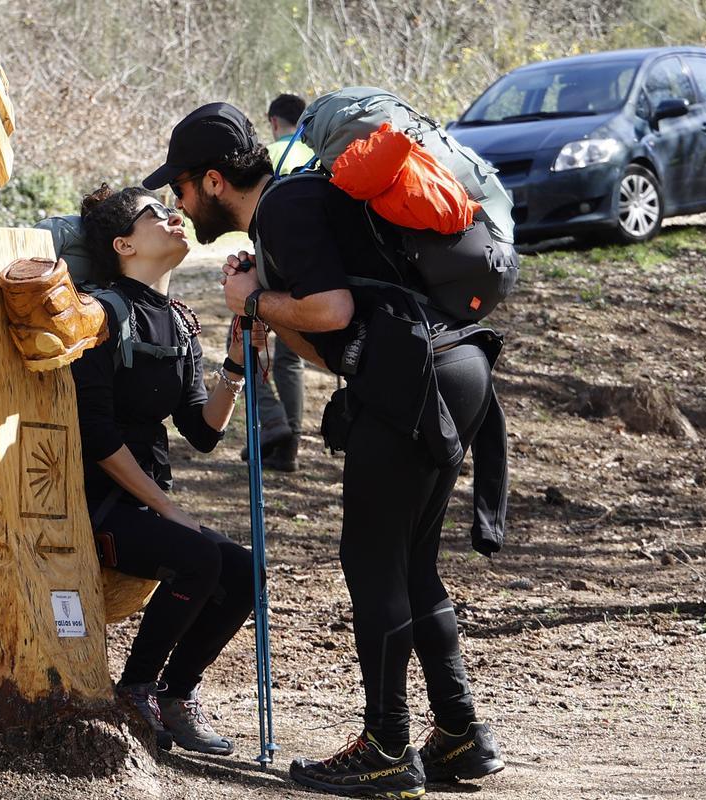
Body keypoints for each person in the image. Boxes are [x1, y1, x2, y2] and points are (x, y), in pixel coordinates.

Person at [142, 104, 508, 797]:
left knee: (372, 564)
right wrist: (262, 306)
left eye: (181, 189)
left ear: (214, 180)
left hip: (416, 382)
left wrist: (256, 304)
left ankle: (387, 746)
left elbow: (333, 312)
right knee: (410, 563)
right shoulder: (301, 204)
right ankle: (460, 734)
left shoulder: (286, 209)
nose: (180, 204)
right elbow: (333, 347)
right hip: (451, 368)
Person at [70, 183, 264, 756]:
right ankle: (135, 692)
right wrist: (169, 509)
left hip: (144, 503)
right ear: (124, 243)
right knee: (199, 556)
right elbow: (98, 437)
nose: (173, 215)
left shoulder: (178, 321)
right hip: (95, 502)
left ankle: (177, 697)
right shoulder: (98, 313)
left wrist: (235, 362)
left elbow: (202, 432)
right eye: (155, 213)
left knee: (246, 571)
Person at [232, 94, 317, 471]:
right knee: (290, 359)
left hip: (271, 264)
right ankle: (289, 447)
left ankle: (274, 422)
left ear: (272, 121)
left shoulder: (269, 156)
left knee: (246, 345)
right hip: (313, 269)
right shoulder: (316, 151)